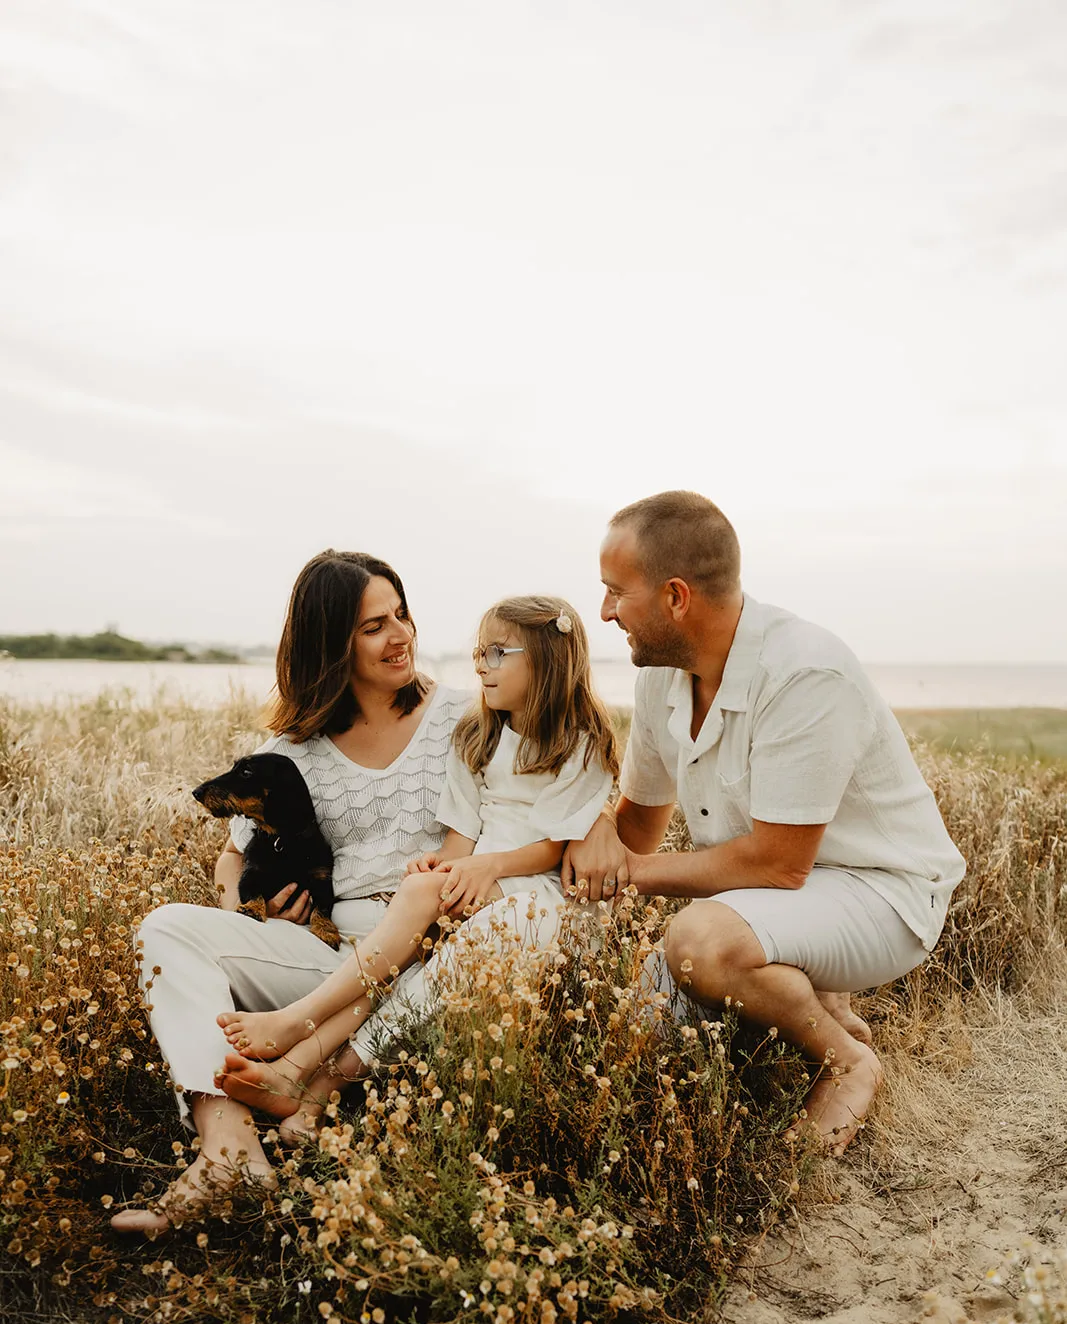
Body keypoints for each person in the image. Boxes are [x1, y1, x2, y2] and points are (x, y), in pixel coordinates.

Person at [562, 490, 966, 1154]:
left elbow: (777, 863)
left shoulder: (804, 670)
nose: (604, 611)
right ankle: (819, 999)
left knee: (698, 943)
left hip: (882, 893)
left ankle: (846, 1061)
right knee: (634, 1027)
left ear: (675, 597)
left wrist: (627, 872)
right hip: (782, 899)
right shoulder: (662, 676)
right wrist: (586, 836)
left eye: (615, 592)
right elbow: (635, 825)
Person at [111, 550, 470, 1236]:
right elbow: (231, 857)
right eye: (373, 627)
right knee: (165, 928)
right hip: (326, 962)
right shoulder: (292, 748)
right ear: (328, 644)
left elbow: (547, 788)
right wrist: (249, 911)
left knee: (458, 943)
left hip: (434, 958)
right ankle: (229, 1152)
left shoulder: (466, 717)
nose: (400, 636)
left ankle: (309, 1078)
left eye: (401, 615)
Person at [214, 595, 618, 1140]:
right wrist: (445, 863)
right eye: (478, 653)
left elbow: (555, 845)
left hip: (541, 893)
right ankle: (297, 1068)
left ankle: (310, 1072)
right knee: (403, 943)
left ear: (548, 660)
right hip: (485, 880)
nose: (481, 666)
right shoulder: (479, 733)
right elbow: (462, 835)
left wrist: (484, 867)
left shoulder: (581, 741)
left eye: (497, 653)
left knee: (424, 960)